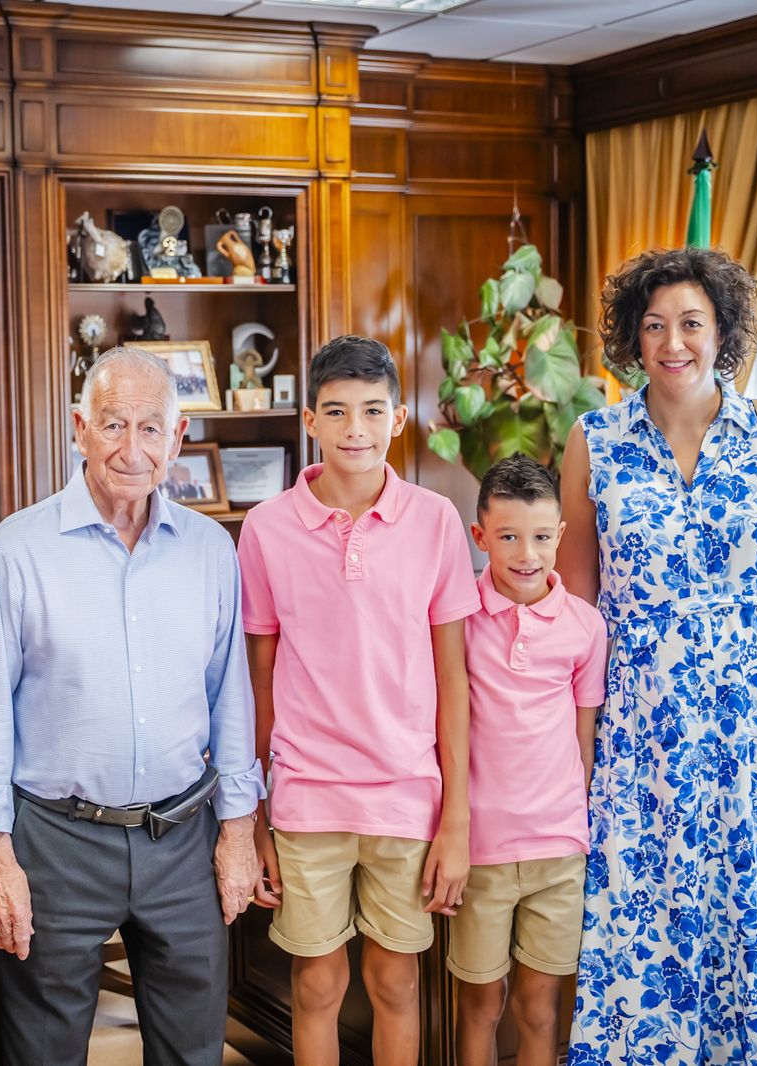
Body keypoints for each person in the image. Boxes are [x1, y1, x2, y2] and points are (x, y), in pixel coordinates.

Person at [556, 247, 757, 1063]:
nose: (672, 342)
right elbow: (574, 613)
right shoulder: (594, 439)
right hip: (636, 743)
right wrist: (571, 750)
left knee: (745, 931)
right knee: (636, 938)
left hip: (753, 743)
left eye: (691, 323)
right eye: (654, 325)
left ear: (722, 331)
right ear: (631, 338)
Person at [0, 346, 264, 1066]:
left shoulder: (212, 550)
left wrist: (239, 831)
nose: (132, 448)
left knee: (193, 1051)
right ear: (79, 428)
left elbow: (232, 699)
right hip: (56, 841)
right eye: (113, 424)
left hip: (183, 835)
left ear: (177, 438)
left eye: (151, 428)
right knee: (45, 1052)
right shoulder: (17, 548)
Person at [237, 335, 477, 1066]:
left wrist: (457, 819)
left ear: (398, 419)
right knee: (316, 983)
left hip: (408, 794)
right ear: (309, 420)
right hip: (308, 794)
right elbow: (258, 678)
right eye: (337, 412)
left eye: (373, 411)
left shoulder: (435, 522)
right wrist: (255, 812)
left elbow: (454, 678)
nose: (355, 430)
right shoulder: (266, 528)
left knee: (396, 980)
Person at [451, 454, 606, 1066]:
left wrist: (577, 822)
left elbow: (583, 739)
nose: (526, 554)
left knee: (540, 1007)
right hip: (482, 852)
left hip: (558, 849)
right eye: (509, 537)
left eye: (541, 537)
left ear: (560, 536)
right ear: (480, 536)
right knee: (480, 1005)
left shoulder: (585, 628)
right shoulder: (456, 616)